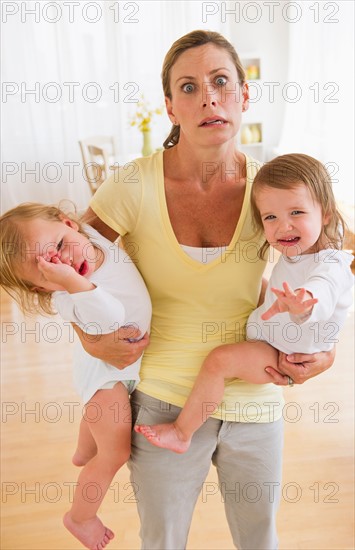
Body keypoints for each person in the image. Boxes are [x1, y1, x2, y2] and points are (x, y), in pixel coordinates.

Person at [77, 30, 336, 550]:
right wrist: (91, 339)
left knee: (260, 539)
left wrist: (325, 353)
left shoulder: (273, 189)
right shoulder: (133, 184)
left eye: (221, 82)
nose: (209, 98)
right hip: (163, 400)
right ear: (171, 107)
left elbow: (326, 268)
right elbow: (68, 263)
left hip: (256, 392)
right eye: (189, 88)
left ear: (244, 95)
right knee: (163, 540)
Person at [134, 153, 354, 453]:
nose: (283, 227)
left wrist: (304, 303)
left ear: (326, 213)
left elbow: (323, 290)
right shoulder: (301, 253)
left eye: (297, 213)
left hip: (282, 354)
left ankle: (182, 432)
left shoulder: (330, 264)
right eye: (271, 217)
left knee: (219, 361)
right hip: (274, 338)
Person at [0, 203, 152, 550]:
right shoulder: (69, 296)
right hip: (105, 378)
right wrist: (73, 283)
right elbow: (110, 319)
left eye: (59, 246)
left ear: (70, 223)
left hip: (113, 372)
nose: (64, 263)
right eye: (48, 268)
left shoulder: (92, 235)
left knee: (99, 433)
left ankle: (84, 450)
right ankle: (80, 517)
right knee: (114, 453)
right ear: (41, 288)